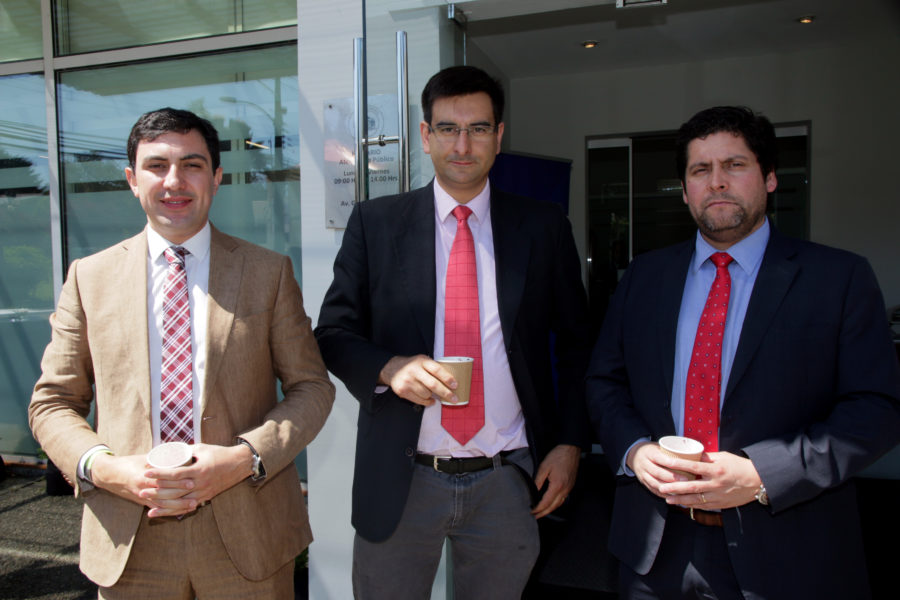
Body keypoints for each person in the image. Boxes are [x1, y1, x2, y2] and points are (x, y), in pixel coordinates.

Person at [586, 105, 900, 599]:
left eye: (734, 165)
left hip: (786, 551)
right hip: (654, 549)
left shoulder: (838, 279)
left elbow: (876, 409)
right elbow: (605, 382)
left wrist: (763, 474)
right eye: (700, 170)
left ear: (769, 177)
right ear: (685, 189)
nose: (716, 182)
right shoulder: (644, 277)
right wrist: (633, 450)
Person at [29, 108, 335, 599]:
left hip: (247, 535)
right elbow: (52, 403)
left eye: (192, 165)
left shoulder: (267, 272)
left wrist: (244, 458)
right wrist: (107, 470)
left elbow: (312, 388)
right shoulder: (89, 278)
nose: (174, 181)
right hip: (130, 538)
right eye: (156, 166)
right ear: (132, 180)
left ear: (216, 177)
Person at [315, 65, 591, 599]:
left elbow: (579, 344)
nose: (463, 145)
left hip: (507, 479)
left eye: (478, 128)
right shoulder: (376, 224)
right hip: (402, 478)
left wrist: (570, 443)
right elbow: (333, 333)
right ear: (425, 135)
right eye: (447, 128)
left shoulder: (543, 226)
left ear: (499, 135)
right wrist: (389, 368)